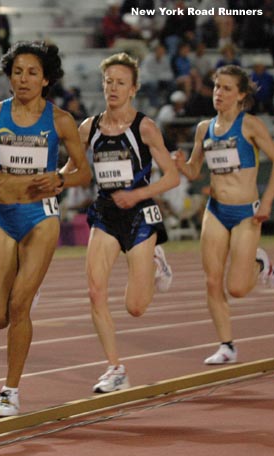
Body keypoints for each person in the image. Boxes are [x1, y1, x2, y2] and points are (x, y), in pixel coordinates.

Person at [0, 40, 92, 417]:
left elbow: (83, 171)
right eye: (18, 72)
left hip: (42, 217)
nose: (23, 79)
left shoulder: (60, 120)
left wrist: (59, 180)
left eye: (32, 73)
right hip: (3, 217)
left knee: (19, 306)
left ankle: (10, 390)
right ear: (9, 76)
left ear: (46, 79)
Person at [78, 52, 180, 393]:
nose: (113, 88)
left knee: (135, 307)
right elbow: (75, 169)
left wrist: (137, 195)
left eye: (121, 83)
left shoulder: (144, 127)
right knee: (95, 292)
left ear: (133, 89)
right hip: (106, 214)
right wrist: (57, 179)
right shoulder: (88, 128)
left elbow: (172, 177)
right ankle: (115, 368)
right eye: (108, 81)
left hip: (139, 216)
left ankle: (154, 262)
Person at [172, 65, 274, 365]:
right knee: (212, 281)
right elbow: (194, 171)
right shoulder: (204, 128)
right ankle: (226, 345)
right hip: (215, 211)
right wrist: (181, 164)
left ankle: (261, 264)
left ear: (241, 94)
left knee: (238, 288)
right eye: (217, 86)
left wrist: (267, 201)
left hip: (246, 214)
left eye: (227, 88)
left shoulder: (250, 125)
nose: (219, 93)